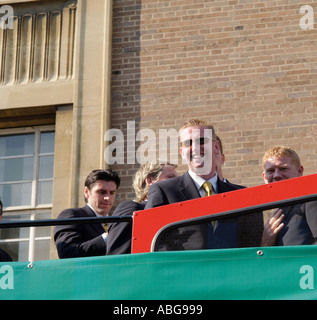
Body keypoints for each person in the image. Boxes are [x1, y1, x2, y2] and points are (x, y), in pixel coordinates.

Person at [145, 119, 263, 251]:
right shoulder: (165, 192)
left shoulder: (242, 196)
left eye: (202, 141)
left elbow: (251, 245)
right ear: (182, 152)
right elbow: (152, 243)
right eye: (188, 143)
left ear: (216, 147)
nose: (195, 148)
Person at [107, 162, 178, 255]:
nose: (177, 182)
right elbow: (117, 253)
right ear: (149, 181)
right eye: (171, 177)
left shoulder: (173, 213)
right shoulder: (132, 207)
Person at [54, 169, 120, 258]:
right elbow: (67, 253)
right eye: (101, 192)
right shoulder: (72, 215)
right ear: (86, 192)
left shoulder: (116, 224)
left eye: (112, 193)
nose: (107, 198)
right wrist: (109, 237)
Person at [261, 146, 317, 246]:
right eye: (271, 171)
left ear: (300, 171)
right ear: (265, 177)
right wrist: (265, 242)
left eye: (283, 169)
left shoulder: (310, 200)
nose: (276, 175)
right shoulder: (277, 209)